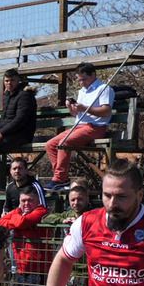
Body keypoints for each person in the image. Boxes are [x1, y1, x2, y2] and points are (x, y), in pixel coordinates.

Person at [45, 62, 113, 190]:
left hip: (95, 127)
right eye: (79, 80)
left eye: (84, 79)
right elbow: (77, 113)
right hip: (79, 126)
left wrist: (85, 108)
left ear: (93, 75)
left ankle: (59, 178)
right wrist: (71, 107)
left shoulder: (104, 89)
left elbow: (106, 111)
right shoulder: (82, 91)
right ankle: (61, 178)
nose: (81, 83)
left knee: (65, 142)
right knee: (50, 144)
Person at [0, 187, 53, 286]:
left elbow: (23, 221)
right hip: (21, 267)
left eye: (30, 200)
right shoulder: (19, 212)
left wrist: (14, 219)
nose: (26, 203)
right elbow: (0, 222)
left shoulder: (41, 211)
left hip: (38, 269)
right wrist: (16, 217)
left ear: (37, 201)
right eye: (23, 201)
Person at [0, 69, 37, 191]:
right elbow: (4, 119)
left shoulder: (25, 95)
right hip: (9, 133)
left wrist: (1, 133)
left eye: (12, 80)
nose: (9, 83)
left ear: (18, 80)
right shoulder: (7, 95)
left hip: (22, 133)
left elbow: (20, 119)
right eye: (6, 81)